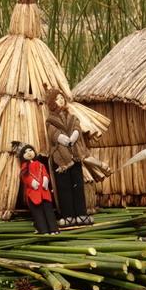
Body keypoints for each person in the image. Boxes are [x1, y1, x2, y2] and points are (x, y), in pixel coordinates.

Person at [44, 88, 93, 227]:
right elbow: (53, 133)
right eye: (57, 98)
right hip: (61, 159)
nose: (61, 100)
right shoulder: (51, 120)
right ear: (52, 102)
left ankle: (81, 214)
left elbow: (77, 127)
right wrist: (63, 139)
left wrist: (74, 136)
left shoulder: (72, 117)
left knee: (78, 185)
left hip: (75, 156)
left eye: (62, 98)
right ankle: (68, 216)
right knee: (64, 187)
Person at [17, 143, 59, 234]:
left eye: (30, 150)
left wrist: (45, 179)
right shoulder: (24, 167)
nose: (29, 153)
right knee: (38, 213)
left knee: (49, 211)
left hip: (44, 192)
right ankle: (43, 230)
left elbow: (45, 173)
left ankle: (53, 229)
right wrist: (31, 182)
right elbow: (25, 176)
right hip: (33, 193)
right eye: (25, 152)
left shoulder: (40, 165)